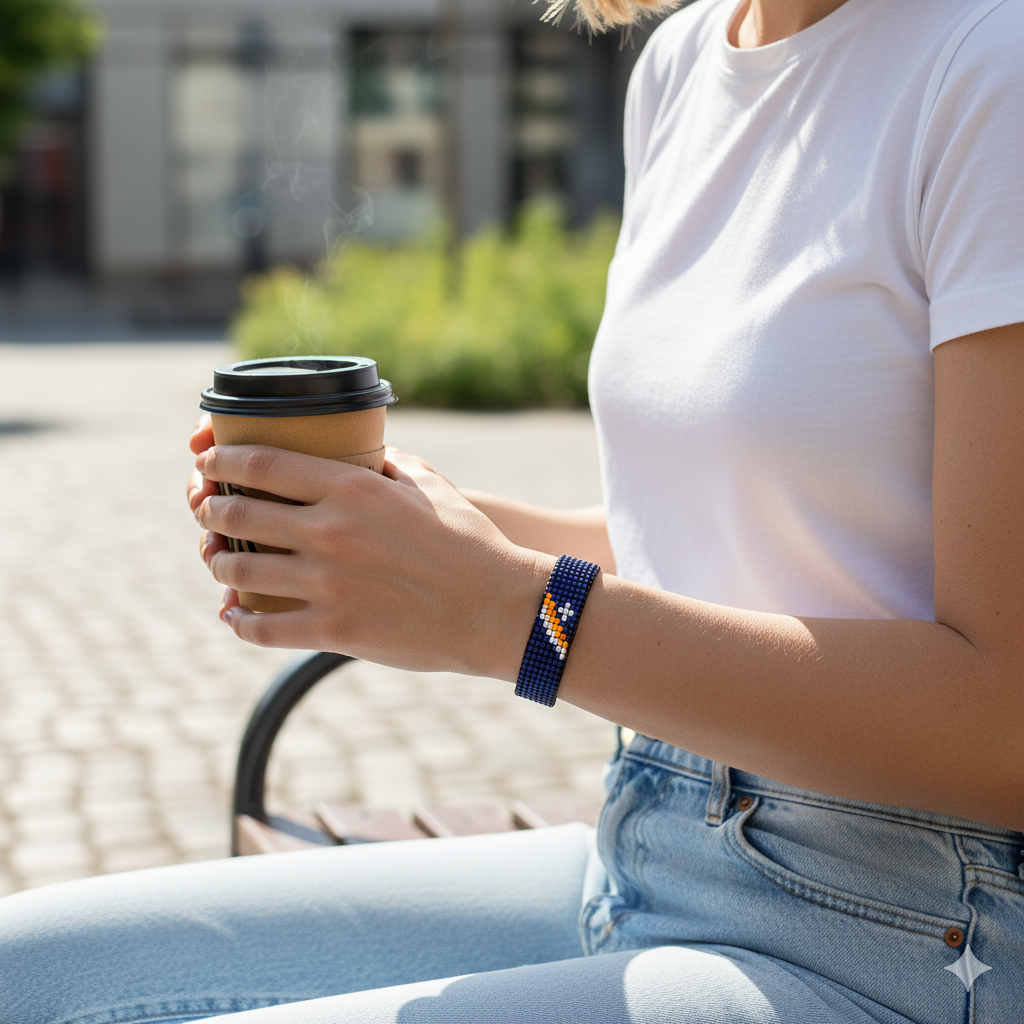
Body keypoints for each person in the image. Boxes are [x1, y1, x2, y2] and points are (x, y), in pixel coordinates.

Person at [2, 0, 1021, 1020]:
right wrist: (409, 534)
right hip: (649, 841)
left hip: (915, 923)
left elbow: (1001, 724)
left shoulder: (987, 63)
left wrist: (511, 615)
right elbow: (730, 543)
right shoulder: (678, 63)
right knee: (26, 972)